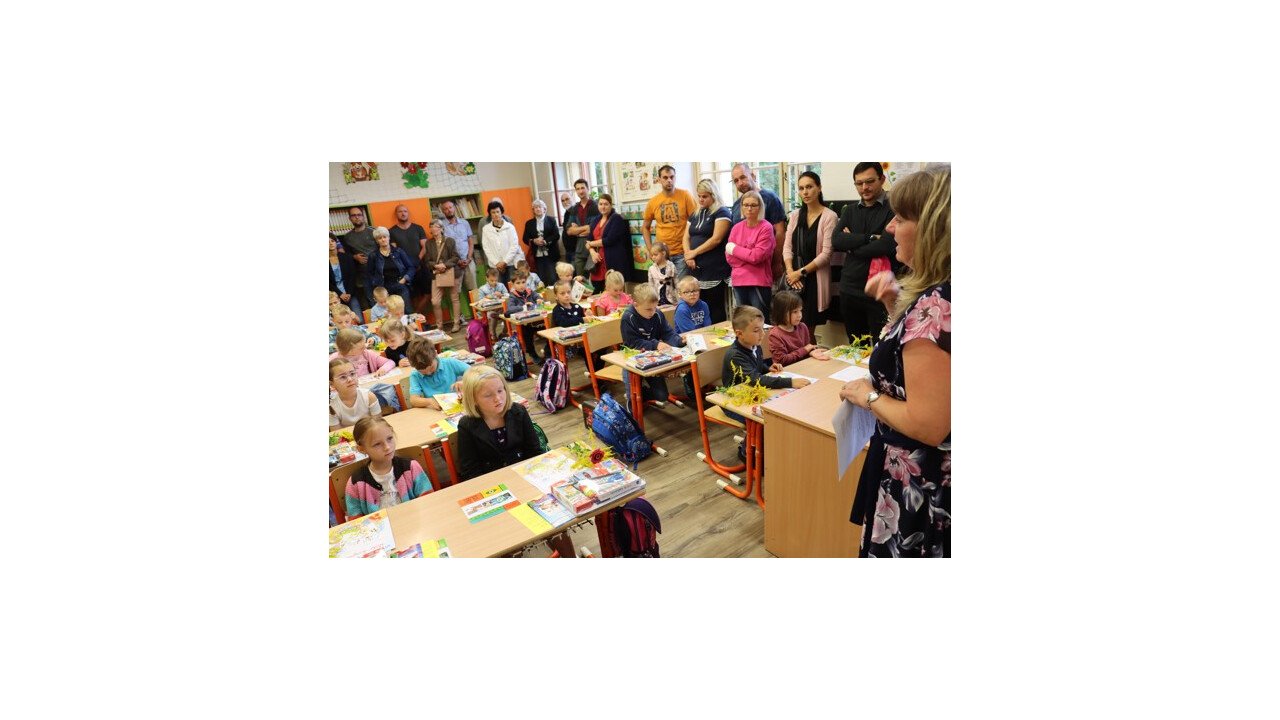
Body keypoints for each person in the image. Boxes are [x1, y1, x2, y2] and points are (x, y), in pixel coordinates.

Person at [839, 167, 950, 559]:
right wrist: (893, 306)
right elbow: (916, 363)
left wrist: (867, 397)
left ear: (933, 228)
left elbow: (928, 424)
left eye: (900, 219)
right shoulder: (937, 295)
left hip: (919, 481)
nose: (889, 227)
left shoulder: (937, 306)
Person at [832, 162, 902, 344]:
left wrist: (852, 244)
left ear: (882, 179)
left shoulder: (893, 209)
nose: (864, 187)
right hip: (849, 288)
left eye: (870, 181)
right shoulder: (850, 211)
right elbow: (837, 240)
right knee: (856, 347)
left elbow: (886, 245)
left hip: (880, 291)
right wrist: (871, 238)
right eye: (859, 183)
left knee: (881, 346)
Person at [721, 305, 811, 424]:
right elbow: (755, 379)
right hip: (734, 403)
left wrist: (767, 368)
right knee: (769, 421)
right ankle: (751, 437)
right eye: (756, 331)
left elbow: (755, 365)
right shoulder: (735, 355)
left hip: (753, 394)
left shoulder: (755, 345)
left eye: (762, 329)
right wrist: (790, 382)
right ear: (739, 334)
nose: (762, 334)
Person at [455, 365, 542, 481]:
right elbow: (470, 471)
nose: (498, 398)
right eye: (488, 395)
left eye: (500, 391)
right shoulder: (467, 425)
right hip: (491, 482)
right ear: (473, 399)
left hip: (526, 476)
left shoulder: (518, 412)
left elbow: (534, 451)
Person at [782, 171, 838, 334]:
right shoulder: (795, 215)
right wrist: (790, 272)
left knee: (806, 329)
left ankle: (808, 351)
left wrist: (799, 273)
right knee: (790, 327)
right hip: (793, 279)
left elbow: (826, 254)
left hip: (814, 279)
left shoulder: (829, 216)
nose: (805, 192)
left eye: (809, 187)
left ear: (819, 188)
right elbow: (787, 247)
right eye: (801, 188)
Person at [343, 416, 432, 518]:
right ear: (361, 449)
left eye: (389, 438)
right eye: (377, 444)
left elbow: (428, 499)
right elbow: (356, 520)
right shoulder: (355, 482)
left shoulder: (411, 467)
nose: (387, 447)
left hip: (415, 520)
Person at [620, 283, 685, 405]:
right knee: (633, 401)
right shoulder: (628, 317)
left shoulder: (657, 314)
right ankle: (634, 396)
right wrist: (656, 345)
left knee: (662, 396)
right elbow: (633, 343)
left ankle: (641, 394)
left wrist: (679, 341)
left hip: (652, 360)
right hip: (631, 362)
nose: (653, 312)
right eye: (649, 309)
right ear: (636, 305)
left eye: (655, 307)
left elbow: (667, 333)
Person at [729, 163, 788, 287]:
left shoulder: (770, 199)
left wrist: (777, 262)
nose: (740, 183)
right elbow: (732, 243)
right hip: (741, 274)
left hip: (764, 270)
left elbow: (780, 232)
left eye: (743, 177)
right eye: (736, 181)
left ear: (753, 176)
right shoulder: (736, 206)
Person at [683, 178, 733, 324]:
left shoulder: (722, 212)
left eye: (704, 196)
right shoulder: (695, 214)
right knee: (699, 308)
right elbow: (686, 237)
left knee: (714, 307)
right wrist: (688, 256)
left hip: (714, 269)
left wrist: (694, 252)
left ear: (713, 195)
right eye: (699, 196)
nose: (700, 199)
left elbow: (716, 239)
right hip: (696, 269)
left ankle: (718, 336)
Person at [724, 190, 777, 317]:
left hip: (759, 281)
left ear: (760, 207)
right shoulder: (736, 228)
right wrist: (748, 255)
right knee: (743, 321)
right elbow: (729, 258)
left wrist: (735, 249)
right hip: (738, 281)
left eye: (753, 205)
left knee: (760, 321)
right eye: (746, 205)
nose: (749, 208)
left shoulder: (766, 227)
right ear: (741, 207)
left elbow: (757, 257)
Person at [641, 165, 697, 278]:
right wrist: (650, 249)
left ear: (675, 178)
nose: (669, 180)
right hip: (662, 253)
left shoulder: (685, 195)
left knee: (681, 286)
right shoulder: (653, 202)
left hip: (682, 252)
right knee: (664, 286)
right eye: (665, 177)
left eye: (672, 177)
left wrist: (691, 251)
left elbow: (695, 221)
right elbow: (645, 227)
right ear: (659, 180)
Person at [673, 275, 712, 399]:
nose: (692, 294)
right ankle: (688, 379)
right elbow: (689, 332)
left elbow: (708, 326)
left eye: (695, 290)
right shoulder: (682, 310)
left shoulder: (703, 305)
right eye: (687, 292)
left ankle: (708, 380)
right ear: (680, 294)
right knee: (698, 356)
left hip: (701, 338)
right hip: (685, 343)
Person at [583, 193, 631, 290]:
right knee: (598, 290)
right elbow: (589, 238)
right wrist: (592, 253)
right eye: (600, 204)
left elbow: (609, 240)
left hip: (612, 259)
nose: (603, 207)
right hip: (597, 261)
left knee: (613, 289)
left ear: (611, 205)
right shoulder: (596, 219)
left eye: (606, 204)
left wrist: (591, 244)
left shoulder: (616, 219)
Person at [768, 290, 830, 365]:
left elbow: (806, 350)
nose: (799, 315)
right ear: (781, 313)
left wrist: (811, 352)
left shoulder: (802, 327)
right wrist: (805, 350)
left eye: (800, 310)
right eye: (795, 312)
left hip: (803, 366)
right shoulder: (775, 335)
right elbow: (782, 361)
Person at [439, 200, 478, 317]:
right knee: (456, 293)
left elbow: (470, 242)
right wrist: (456, 261)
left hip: (468, 261)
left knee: (473, 290)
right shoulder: (442, 226)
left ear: (454, 208)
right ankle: (460, 317)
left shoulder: (465, 223)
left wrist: (469, 258)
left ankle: (478, 314)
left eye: (450, 207)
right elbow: (443, 247)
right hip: (453, 265)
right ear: (443, 211)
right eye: (446, 208)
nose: (449, 210)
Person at [388, 203, 430, 310]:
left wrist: (417, 261)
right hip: (405, 270)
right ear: (396, 214)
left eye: (405, 211)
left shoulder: (418, 228)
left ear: (408, 213)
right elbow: (394, 251)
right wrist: (409, 265)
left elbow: (425, 246)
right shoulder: (391, 231)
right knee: (413, 297)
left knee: (428, 294)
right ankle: (417, 318)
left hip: (421, 266)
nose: (403, 213)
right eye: (400, 211)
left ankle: (416, 316)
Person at [424, 218, 463, 332]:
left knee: (454, 298)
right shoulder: (429, 243)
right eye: (431, 227)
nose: (433, 229)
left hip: (451, 272)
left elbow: (456, 257)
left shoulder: (450, 241)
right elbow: (427, 261)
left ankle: (456, 323)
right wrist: (436, 266)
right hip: (437, 274)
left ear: (442, 229)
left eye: (436, 226)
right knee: (435, 301)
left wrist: (445, 265)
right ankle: (439, 327)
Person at [407, 337, 468, 410]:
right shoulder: (415, 375)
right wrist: (429, 401)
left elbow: (476, 373)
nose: (428, 373)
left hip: (459, 405)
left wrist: (464, 381)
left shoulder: (449, 363)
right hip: (436, 410)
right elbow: (413, 400)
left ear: (436, 354)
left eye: (431, 368)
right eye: (423, 372)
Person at [368, 226, 416, 310]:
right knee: (389, 312)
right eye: (380, 238)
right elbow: (369, 274)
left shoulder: (398, 251)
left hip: (400, 284)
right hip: (384, 288)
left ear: (389, 238)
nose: (383, 240)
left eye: (385, 237)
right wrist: (377, 286)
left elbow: (411, 267)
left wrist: (404, 279)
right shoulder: (373, 255)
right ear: (377, 241)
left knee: (406, 309)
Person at [507, 270, 547, 367]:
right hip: (524, 324)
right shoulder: (512, 296)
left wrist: (540, 300)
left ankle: (548, 351)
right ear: (512, 284)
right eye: (518, 283)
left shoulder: (530, 292)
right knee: (527, 333)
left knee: (549, 327)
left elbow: (541, 299)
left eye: (523, 282)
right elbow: (510, 309)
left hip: (536, 321)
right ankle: (532, 353)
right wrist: (523, 307)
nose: (521, 285)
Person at [328, 358, 381, 429]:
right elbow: (337, 434)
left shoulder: (369, 397)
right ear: (331, 384)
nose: (350, 379)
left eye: (352, 374)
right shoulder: (331, 406)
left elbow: (379, 426)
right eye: (343, 377)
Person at [481, 200, 522, 286]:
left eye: (497, 212)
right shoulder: (486, 229)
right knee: (498, 289)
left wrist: (504, 262)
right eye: (493, 212)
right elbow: (486, 248)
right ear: (490, 214)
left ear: (501, 213)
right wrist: (497, 263)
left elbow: (514, 246)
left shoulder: (510, 227)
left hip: (509, 264)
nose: (496, 214)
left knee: (512, 287)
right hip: (495, 266)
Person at [341, 206, 377, 308]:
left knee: (387, 298)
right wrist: (354, 257)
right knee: (372, 301)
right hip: (363, 274)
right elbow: (346, 255)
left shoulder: (374, 231)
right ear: (350, 218)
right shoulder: (347, 237)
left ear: (363, 217)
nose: (357, 217)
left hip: (379, 271)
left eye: (359, 215)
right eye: (353, 215)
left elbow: (385, 247)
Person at [523, 199, 561, 287]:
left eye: (540, 207)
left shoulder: (551, 220)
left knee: (552, 278)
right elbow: (525, 238)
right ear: (533, 210)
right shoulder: (529, 223)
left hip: (551, 254)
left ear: (544, 209)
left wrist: (545, 241)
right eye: (535, 207)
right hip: (537, 256)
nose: (538, 209)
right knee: (541, 279)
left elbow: (556, 235)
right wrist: (533, 240)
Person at [562, 178, 600, 265]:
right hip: (579, 250)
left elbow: (594, 229)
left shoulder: (596, 206)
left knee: (593, 273)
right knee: (578, 273)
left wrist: (577, 230)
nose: (581, 191)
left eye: (582, 188)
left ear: (588, 189)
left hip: (595, 247)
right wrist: (585, 227)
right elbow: (569, 231)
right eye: (578, 189)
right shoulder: (575, 208)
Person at [330, 328, 395, 378]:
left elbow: (390, 362)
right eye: (361, 348)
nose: (365, 347)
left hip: (368, 386)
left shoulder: (367, 353)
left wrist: (383, 369)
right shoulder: (334, 359)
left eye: (364, 344)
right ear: (348, 350)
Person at [329, 232, 362, 318]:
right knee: (340, 319)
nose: (330, 243)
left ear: (336, 243)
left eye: (332, 241)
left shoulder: (346, 257)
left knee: (358, 318)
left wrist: (349, 293)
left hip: (350, 293)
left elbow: (352, 276)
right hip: (334, 297)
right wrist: (340, 294)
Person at [477, 267, 509, 341]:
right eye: (492, 280)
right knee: (493, 316)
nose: (494, 282)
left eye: (496, 280)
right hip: (489, 311)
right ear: (487, 278)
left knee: (507, 314)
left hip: (501, 309)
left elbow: (507, 295)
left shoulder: (501, 285)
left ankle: (504, 332)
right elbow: (480, 302)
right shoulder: (482, 289)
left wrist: (501, 295)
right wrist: (487, 297)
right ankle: (493, 336)